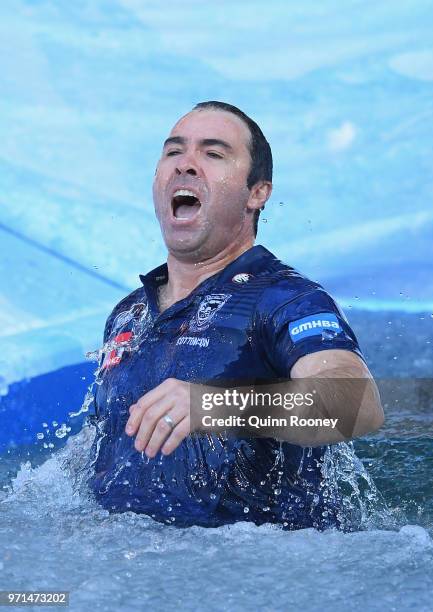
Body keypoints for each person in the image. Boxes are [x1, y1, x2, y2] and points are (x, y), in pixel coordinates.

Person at [87, 101, 384, 530]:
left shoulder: (283, 299)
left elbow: (355, 404)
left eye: (213, 153)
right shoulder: (129, 314)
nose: (186, 165)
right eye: (173, 152)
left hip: (258, 575)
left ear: (257, 192)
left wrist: (215, 406)